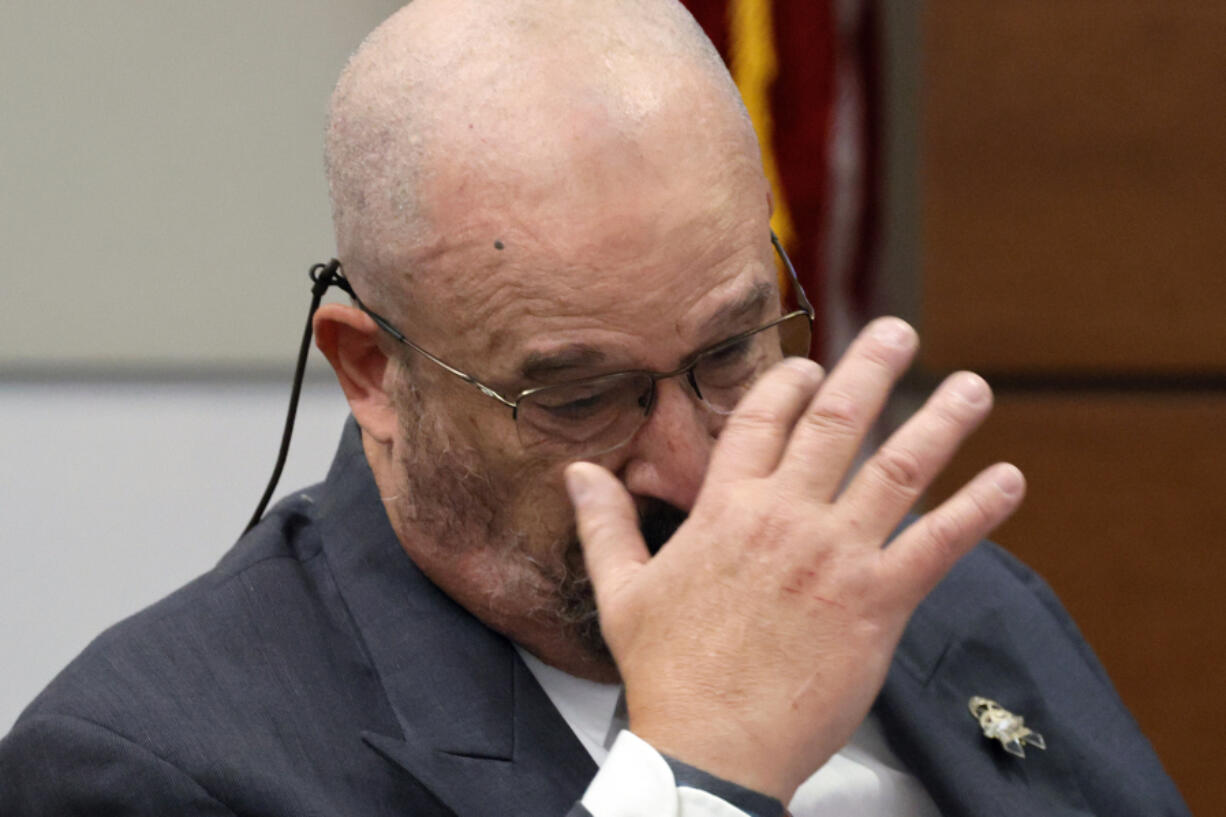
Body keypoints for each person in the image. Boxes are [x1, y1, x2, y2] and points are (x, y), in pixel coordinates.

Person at [0, 1, 1189, 815]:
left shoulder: (934, 602)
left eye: (729, 349)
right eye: (576, 396)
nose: (688, 469)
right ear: (373, 371)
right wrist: (692, 776)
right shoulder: (152, 764)